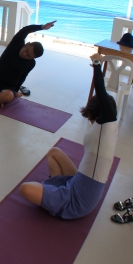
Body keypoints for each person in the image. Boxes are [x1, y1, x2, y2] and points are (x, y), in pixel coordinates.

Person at [18, 53, 118, 219]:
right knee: (54, 152)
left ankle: (54, 199)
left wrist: (97, 64)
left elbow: (100, 89)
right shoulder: (105, 128)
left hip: (79, 200)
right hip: (78, 182)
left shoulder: (108, 126)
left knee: (25, 189)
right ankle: (52, 193)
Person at [0, 22, 55, 107]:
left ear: (33, 58)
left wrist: (15, 91)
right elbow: (25, 30)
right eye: (26, 50)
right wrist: (42, 27)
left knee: (8, 96)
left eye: (29, 55)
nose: (25, 54)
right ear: (27, 44)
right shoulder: (16, 44)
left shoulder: (31, 64)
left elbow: (23, 77)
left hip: (7, 88)